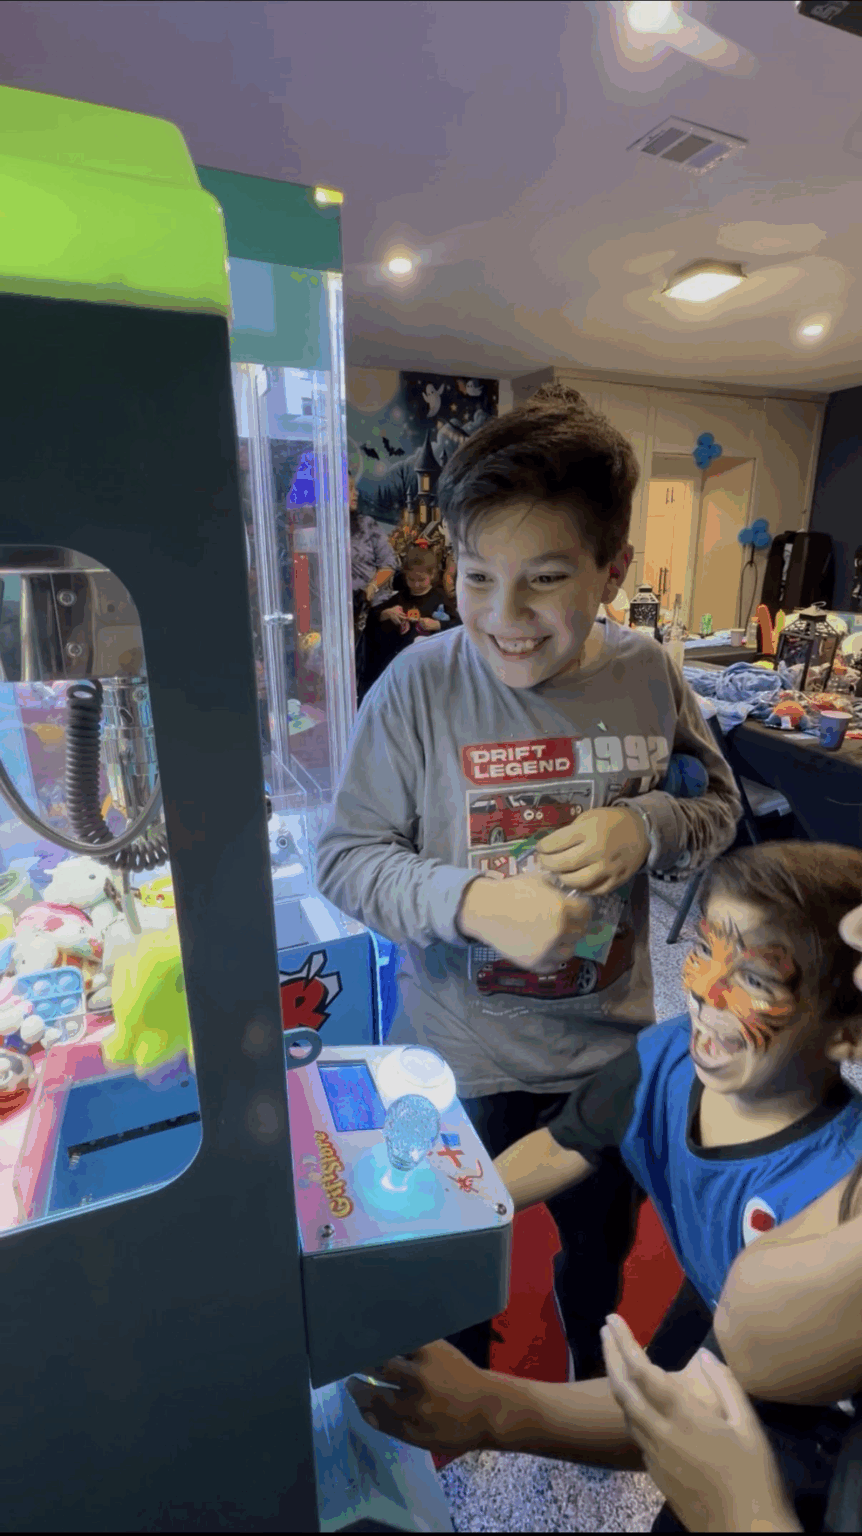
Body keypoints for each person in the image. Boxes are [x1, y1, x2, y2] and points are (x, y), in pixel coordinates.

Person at [316, 382, 742, 1377]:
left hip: (608, 1059)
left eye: (545, 580)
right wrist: (466, 900)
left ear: (611, 571)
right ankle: (461, 1406)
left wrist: (648, 825)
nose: (502, 619)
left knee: (598, 1259)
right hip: (460, 1059)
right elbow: (345, 855)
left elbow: (718, 805)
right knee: (454, 1265)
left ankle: (592, 1380)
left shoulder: (648, 672)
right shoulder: (420, 684)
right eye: (473, 578)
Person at [347, 841, 862, 1534]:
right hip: (714, 1295)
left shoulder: (828, 1203)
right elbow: (567, 1142)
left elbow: (687, 1414)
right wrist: (450, 1206)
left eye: (758, 982)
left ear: (847, 1034)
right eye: (705, 949)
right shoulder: (667, 1057)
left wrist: (494, 1408)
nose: (708, 993)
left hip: (812, 1425)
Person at [359, 543, 461, 702]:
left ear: (432, 575)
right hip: (399, 671)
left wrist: (438, 625)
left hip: (427, 672)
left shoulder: (440, 599)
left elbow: (459, 626)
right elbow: (372, 619)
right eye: (411, 579)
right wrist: (386, 614)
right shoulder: (400, 597)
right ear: (405, 575)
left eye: (421, 580)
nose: (417, 584)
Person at [349, 471, 399, 698]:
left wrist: (369, 591)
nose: (355, 493)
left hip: (375, 608)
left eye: (355, 488)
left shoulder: (367, 525)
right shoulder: (318, 528)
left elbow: (389, 564)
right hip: (339, 615)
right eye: (349, 489)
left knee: (375, 677)